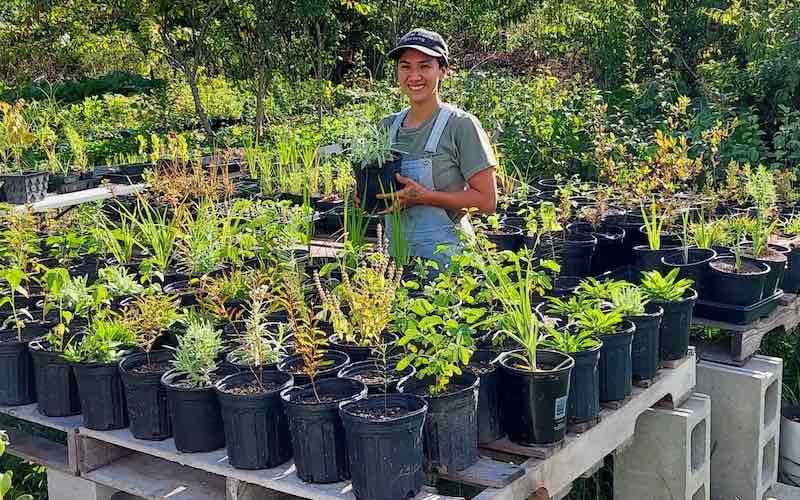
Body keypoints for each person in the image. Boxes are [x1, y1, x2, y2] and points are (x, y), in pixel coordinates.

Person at [375, 28, 498, 268]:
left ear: (443, 71)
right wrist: (367, 196)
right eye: (405, 66)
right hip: (395, 261)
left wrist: (424, 197)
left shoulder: (460, 125)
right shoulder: (387, 127)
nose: (414, 76)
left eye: (424, 66)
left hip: (449, 264)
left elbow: (487, 201)